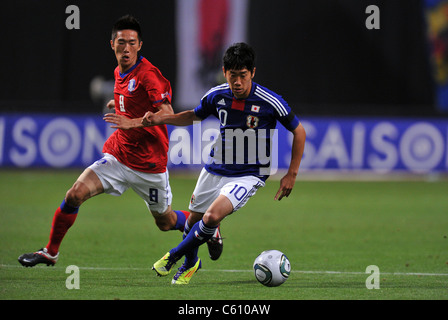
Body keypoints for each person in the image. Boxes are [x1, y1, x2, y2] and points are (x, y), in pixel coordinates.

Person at [18, 15, 220, 268]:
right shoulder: (119, 71)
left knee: (165, 222)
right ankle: (50, 252)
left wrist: (132, 121)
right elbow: (133, 98)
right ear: (111, 44)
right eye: (121, 42)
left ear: (140, 45)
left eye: (132, 43)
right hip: (119, 155)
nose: (126, 48)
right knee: (74, 194)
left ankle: (210, 225)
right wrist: (121, 104)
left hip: (149, 165)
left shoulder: (149, 75)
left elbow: (167, 114)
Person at [109, 42, 306, 284]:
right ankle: (191, 264)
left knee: (211, 217)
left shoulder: (269, 100)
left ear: (252, 73)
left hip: (250, 173)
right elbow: (192, 116)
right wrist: (157, 119)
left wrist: (291, 173)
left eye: (243, 76)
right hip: (216, 167)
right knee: (192, 221)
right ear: (224, 71)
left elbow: (299, 131)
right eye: (232, 75)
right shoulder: (216, 95)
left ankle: (172, 257)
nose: (237, 82)